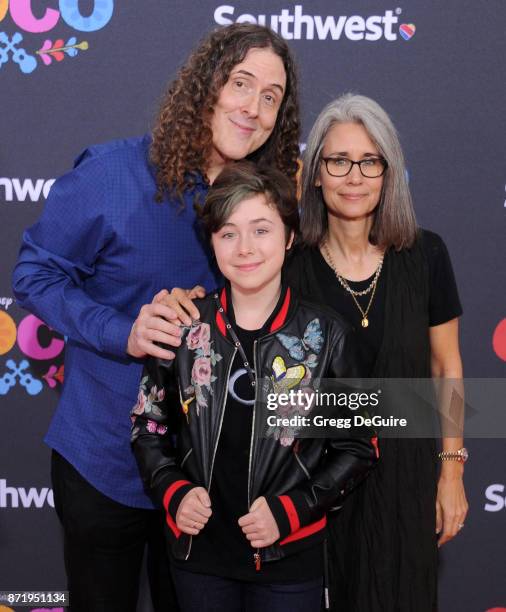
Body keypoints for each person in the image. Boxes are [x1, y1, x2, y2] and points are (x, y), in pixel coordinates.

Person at [11, 24, 300, 612]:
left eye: (271, 96)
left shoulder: (269, 203)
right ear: (205, 87)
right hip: (105, 460)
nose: (254, 107)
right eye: (241, 83)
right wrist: (126, 331)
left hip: (208, 482)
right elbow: (34, 275)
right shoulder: (111, 175)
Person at [165, 94, 469, 612]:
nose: (354, 176)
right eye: (338, 160)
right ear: (317, 174)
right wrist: (182, 301)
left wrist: (452, 470)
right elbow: (231, 321)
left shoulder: (426, 254)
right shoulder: (291, 257)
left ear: (389, 171)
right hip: (310, 481)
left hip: (405, 475)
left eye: (370, 161)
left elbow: (447, 368)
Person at [131, 161, 379, 612]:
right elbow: (149, 426)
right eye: (228, 233)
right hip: (198, 557)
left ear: (288, 237)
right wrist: (175, 492)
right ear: (212, 243)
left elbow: (359, 446)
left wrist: (292, 510)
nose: (244, 248)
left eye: (261, 230)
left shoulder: (328, 335)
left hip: (289, 560)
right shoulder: (184, 326)